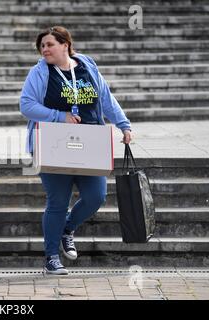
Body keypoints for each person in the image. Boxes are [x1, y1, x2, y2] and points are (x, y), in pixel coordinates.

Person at [20, 26, 132, 275]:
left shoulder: (86, 65)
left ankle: (67, 229)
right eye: (42, 46)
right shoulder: (39, 72)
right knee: (58, 202)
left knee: (96, 197)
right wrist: (60, 116)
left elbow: (105, 98)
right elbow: (26, 105)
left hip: (91, 143)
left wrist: (123, 124)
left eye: (50, 44)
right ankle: (51, 257)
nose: (45, 49)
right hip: (53, 143)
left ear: (65, 45)